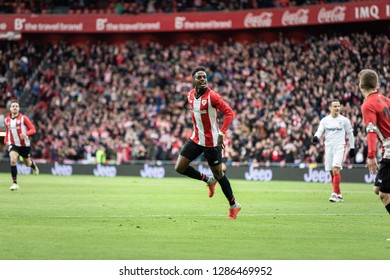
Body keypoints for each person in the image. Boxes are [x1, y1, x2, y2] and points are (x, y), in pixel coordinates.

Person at [175, 66, 241, 219]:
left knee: (219, 174)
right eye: (200, 77)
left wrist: (221, 133)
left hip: (212, 142)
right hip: (196, 139)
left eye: (205, 77)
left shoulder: (213, 96)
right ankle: (208, 179)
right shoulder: (190, 96)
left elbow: (229, 113)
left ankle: (234, 205)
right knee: (179, 167)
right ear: (193, 80)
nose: (203, 79)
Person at [359, 69, 390, 215]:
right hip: (387, 149)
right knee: (377, 189)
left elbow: (370, 130)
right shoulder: (385, 99)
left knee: (384, 195)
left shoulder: (368, 105)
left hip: (389, 150)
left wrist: (371, 155)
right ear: (376, 84)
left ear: (360, 85)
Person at [312, 99, 355, 202]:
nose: (337, 108)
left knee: (336, 169)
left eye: (338, 106)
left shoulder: (344, 120)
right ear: (330, 108)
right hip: (328, 147)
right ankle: (339, 194)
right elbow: (320, 131)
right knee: (331, 171)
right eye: (335, 106)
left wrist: (352, 147)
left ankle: (334, 193)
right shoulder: (325, 120)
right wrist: (316, 137)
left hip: (340, 147)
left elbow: (350, 134)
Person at [3, 100, 39, 190]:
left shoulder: (24, 118)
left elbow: (33, 129)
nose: (15, 107)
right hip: (13, 144)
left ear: (19, 108)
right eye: (13, 106)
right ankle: (14, 183)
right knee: (13, 160)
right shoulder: (6, 119)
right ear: (10, 108)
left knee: (27, 163)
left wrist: (26, 134)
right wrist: (5, 141)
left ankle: (33, 165)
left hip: (24, 145)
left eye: (16, 106)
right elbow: (7, 132)